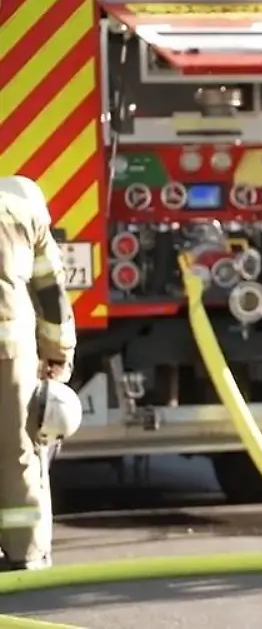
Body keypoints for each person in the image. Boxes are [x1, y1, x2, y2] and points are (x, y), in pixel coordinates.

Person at [0, 176, 76, 572]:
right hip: (10, 355)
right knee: (17, 457)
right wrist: (58, 354)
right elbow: (51, 292)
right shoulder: (24, 207)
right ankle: (25, 556)